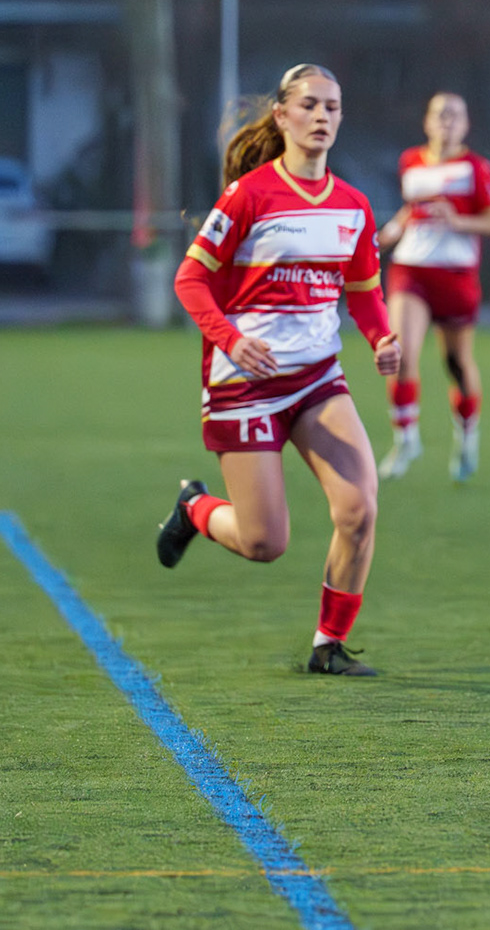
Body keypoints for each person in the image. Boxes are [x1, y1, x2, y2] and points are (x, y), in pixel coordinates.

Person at [157, 63, 401, 677]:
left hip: (318, 378)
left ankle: (329, 645)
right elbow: (189, 280)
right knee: (266, 543)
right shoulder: (248, 196)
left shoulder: (353, 206)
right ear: (282, 115)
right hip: (244, 384)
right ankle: (195, 510)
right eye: (310, 105)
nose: (322, 117)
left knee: (360, 508)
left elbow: (365, 292)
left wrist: (381, 338)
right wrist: (232, 340)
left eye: (333, 107)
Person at [375, 92, 490, 482]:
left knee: (456, 363)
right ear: (427, 122)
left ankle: (467, 437)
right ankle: (405, 440)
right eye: (439, 114)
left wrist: (457, 221)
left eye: (455, 115)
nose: (446, 121)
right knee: (399, 352)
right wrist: (393, 231)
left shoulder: (476, 167)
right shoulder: (410, 161)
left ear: (466, 125)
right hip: (411, 269)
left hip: (456, 274)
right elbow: (411, 209)